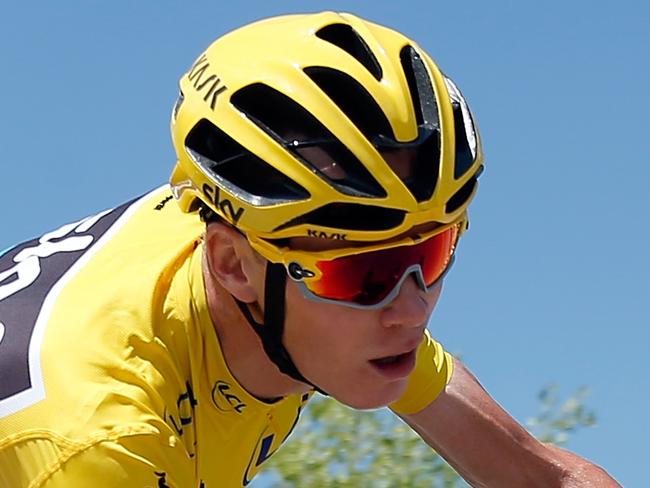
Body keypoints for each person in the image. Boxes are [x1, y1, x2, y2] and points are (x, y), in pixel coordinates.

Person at [0, 11, 620, 487]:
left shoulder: (295, 283)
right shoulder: (96, 437)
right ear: (232, 264)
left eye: (430, 255)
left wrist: (368, 278)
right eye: (366, 274)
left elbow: (542, 475)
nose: (413, 309)